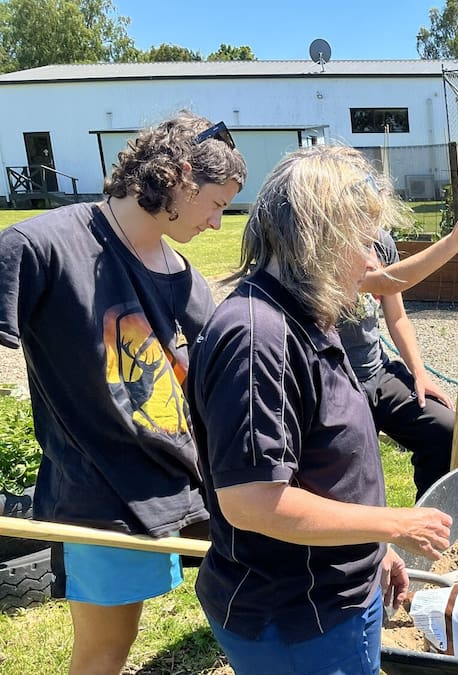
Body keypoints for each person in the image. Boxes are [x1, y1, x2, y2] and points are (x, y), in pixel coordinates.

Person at [185, 145, 453, 675]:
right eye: (363, 241)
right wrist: (393, 522)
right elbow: (253, 502)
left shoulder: (307, 317)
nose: (375, 262)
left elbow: (320, 468)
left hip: (332, 597)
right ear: (319, 237)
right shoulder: (258, 339)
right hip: (298, 619)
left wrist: (374, 548)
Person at [0, 111, 245, 675]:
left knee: (256, 600)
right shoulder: (41, 245)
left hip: (194, 482)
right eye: (215, 204)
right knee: (107, 650)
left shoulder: (184, 276)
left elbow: (216, 379)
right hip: (102, 496)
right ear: (182, 178)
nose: (216, 223)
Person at [340, 208, 458, 500]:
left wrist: (419, 373)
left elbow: (397, 318)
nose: (372, 231)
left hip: (376, 373)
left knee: (445, 430)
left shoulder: (382, 242)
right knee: (354, 461)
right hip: (336, 379)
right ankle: (363, 540)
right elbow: (384, 282)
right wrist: (453, 243)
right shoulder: (324, 248)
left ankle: (438, 523)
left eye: (375, 220)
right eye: (363, 220)